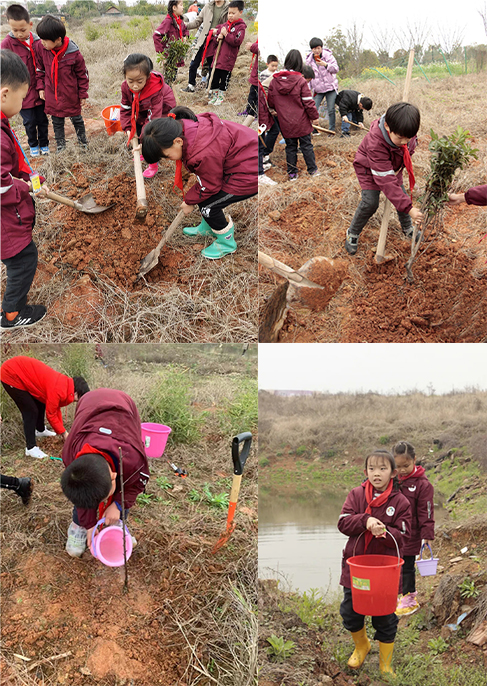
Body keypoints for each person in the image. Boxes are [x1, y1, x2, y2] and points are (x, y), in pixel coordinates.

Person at [141, 106, 257, 259]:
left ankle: (227, 243)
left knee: (209, 206)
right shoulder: (183, 127)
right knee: (204, 200)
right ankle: (208, 227)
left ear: (177, 141)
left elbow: (210, 186)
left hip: (249, 173)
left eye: (167, 156)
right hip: (242, 157)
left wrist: (189, 201)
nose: (168, 160)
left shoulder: (201, 153)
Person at [337, 449, 411, 675]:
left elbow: (404, 536)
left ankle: (385, 664)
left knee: (385, 618)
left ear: (393, 472)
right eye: (371, 469)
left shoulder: (400, 502)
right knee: (350, 612)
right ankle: (362, 645)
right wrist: (366, 520)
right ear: (365, 471)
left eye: (382, 468)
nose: (376, 473)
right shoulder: (356, 495)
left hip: (384, 574)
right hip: (357, 569)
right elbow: (343, 523)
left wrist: (386, 533)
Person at [60, 388, 150, 558]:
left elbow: (136, 485)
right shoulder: (70, 453)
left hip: (123, 405)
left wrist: (117, 505)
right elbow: (82, 493)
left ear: (114, 476)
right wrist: (89, 524)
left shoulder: (134, 459)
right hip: (88, 403)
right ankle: (78, 526)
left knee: (121, 492)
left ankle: (116, 524)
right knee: (86, 487)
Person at [1, 49, 48, 330]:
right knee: (23, 260)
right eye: (22, 98)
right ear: (5, 93)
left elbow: (13, 157)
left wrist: (30, 176)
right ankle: (12, 314)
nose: (23, 103)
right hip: (6, 224)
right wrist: (24, 188)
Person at [345, 101, 424, 255]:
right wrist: (410, 209)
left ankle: (408, 228)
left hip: (393, 167)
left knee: (401, 197)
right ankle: (352, 233)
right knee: (370, 202)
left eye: (408, 138)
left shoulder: (406, 131)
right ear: (387, 126)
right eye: (400, 138)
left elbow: (409, 147)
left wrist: (397, 167)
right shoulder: (376, 142)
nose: (404, 142)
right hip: (369, 168)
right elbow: (386, 180)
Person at [0, 355, 89, 459]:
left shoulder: (65, 385)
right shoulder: (58, 389)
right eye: (79, 398)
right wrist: (64, 433)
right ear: (76, 393)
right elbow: (51, 414)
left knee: (41, 402)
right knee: (30, 410)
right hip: (11, 373)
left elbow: (55, 408)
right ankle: (30, 448)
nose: (77, 401)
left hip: (20, 371)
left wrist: (61, 430)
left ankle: (40, 430)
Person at [34, 15, 89, 152]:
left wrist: (82, 94)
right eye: (41, 39)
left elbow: (82, 75)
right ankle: (61, 147)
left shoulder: (73, 53)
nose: (42, 43)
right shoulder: (42, 50)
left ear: (58, 39)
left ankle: (83, 143)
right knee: (57, 122)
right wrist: (41, 88)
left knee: (76, 119)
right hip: (52, 94)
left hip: (70, 94)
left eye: (45, 41)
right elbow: (39, 69)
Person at [1, 4, 49, 156]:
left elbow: (43, 66)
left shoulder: (38, 42)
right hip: (22, 94)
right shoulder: (7, 44)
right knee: (29, 121)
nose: (19, 34)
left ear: (30, 25)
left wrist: (43, 87)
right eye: (15, 30)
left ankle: (44, 143)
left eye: (22, 30)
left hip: (39, 91)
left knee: (42, 119)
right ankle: (33, 145)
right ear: (9, 25)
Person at [393, 441, 435, 616]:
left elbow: (426, 511)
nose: (402, 470)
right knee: (393, 565)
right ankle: (395, 596)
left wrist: (426, 535)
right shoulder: (391, 481)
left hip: (412, 534)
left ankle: (409, 597)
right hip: (393, 533)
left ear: (415, 460)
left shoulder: (422, 484)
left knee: (407, 566)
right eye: (398, 466)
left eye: (406, 465)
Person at [267, 48, 320, 181]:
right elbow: (308, 102)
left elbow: (271, 102)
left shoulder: (274, 81)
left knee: (290, 147)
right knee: (306, 145)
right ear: (299, 64)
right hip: (301, 121)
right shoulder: (300, 81)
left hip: (285, 122)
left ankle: (292, 174)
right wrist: (314, 117)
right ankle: (312, 171)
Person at [120, 53, 168, 179]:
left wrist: (145, 140)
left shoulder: (155, 90)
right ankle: (142, 150)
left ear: (148, 77)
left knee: (153, 138)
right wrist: (128, 128)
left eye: (139, 81)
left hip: (162, 111)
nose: (134, 85)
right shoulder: (125, 87)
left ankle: (153, 164)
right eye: (130, 81)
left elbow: (153, 119)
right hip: (143, 109)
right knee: (140, 128)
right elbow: (125, 107)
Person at [181, 0, 229, 93]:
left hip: (216, 41)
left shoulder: (228, 7)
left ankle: (211, 88)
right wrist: (184, 26)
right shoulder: (208, 6)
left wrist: (218, 31)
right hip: (203, 39)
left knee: (212, 66)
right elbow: (197, 22)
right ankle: (191, 85)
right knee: (194, 63)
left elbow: (229, 25)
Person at [206, 0, 246, 106]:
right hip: (218, 59)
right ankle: (214, 96)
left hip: (228, 61)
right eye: (229, 13)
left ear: (240, 12)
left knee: (224, 80)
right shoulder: (224, 25)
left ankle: (221, 97)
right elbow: (215, 37)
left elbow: (237, 41)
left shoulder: (240, 27)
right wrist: (218, 37)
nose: (230, 15)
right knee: (214, 78)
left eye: (233, 13)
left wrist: (226, 35)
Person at [304, 37, 339, 132]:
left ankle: (331, 130)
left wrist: (326, 64)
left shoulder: (328, 56)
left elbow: (336, 69)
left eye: (318, 48)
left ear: (321, 48)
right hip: (317, 89)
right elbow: (308, 76)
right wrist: (309, 89)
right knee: (313, 108)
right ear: (311, 49)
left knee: (331, 109)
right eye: (314, 49)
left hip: (330, 88)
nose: (317, 51)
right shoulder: (308, 61)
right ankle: (314, 129)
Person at [153, 0, 190, 83]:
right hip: (170, 57)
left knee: (173, 77)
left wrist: (185, 36)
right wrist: (163, 55)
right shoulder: (168, 21)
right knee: (168, 79)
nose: (183, 7)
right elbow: (156, 35)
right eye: (181, 5)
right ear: (174, 7)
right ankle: (166, 94)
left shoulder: (179, 21)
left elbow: (185, 30)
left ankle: (169, 94)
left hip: (176, 56)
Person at [245, 39, 258, 118]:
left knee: (257, 97)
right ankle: (249, 112)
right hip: (255, 74)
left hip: (258, 75)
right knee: (252, 95)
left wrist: (252, 46)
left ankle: (255, 115)